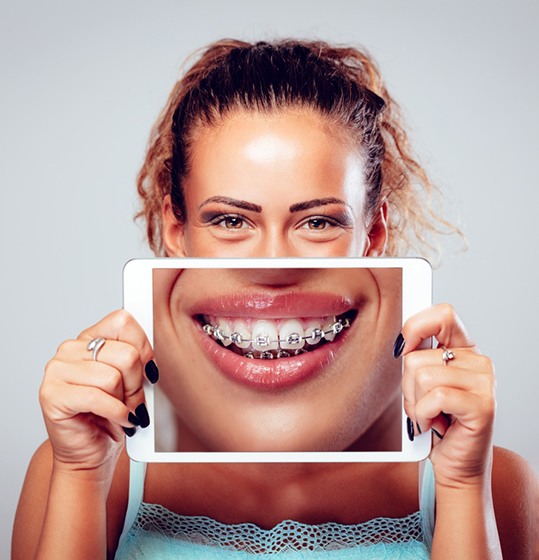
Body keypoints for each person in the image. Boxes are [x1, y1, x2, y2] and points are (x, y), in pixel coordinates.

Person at [12, 39, 536, 559]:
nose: (272, 265)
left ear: (372, 238)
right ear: (176, 230)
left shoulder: (491, 481)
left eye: (318, 222)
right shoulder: (86, 467)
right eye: (231, 220)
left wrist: (466, 485)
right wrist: (81, 473)